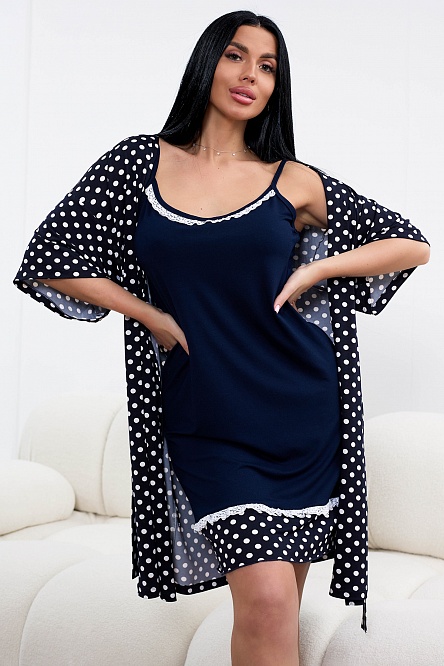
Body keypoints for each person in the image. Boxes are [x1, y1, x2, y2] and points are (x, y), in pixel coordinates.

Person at [14, 10, 429, 666]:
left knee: (273, 610)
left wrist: (318, 267)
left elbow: (410, 244)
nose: (249, 76)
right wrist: (149, 315)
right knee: (266, 600)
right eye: (236, 56)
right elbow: (52, 258)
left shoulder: (291, 178)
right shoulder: (139, 164)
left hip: (301, 411)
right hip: (206, 418)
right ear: (207, 62)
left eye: (267, 67)